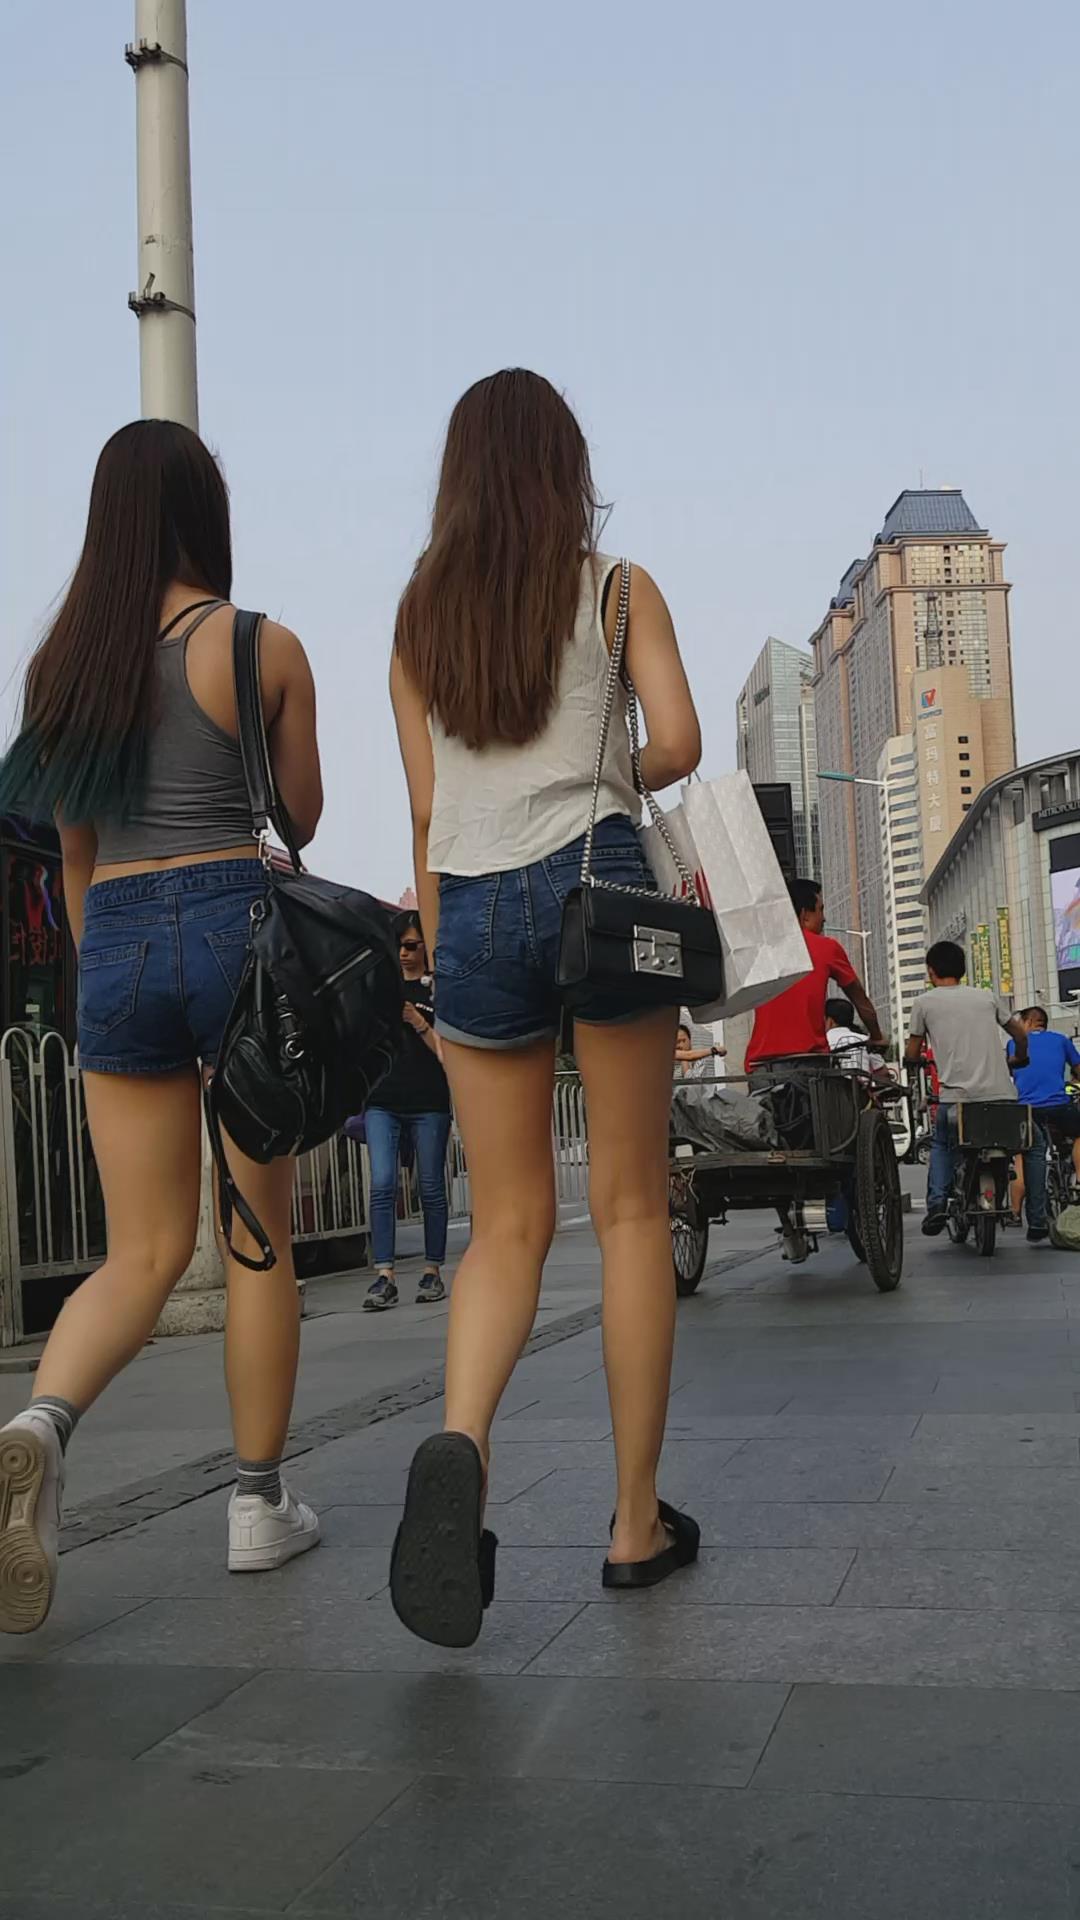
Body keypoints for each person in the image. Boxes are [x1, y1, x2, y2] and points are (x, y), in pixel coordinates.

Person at [388, 367, 703, 1646]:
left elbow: (426, 811)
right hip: (598, 885)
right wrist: (603, 759)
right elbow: (678, 741)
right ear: (565, 468)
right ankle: (633, 1526)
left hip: (468, 910)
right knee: (628, 1208)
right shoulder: (618, 590)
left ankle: (461, 1448)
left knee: (504, 1225)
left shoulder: (420, 618)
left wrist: (437, 956)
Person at [0, 420, 324, 1636]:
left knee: (138, 1252)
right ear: (203, 514)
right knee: (255, 1239)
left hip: (119, 941)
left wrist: (111, 974)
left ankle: (41, 1426)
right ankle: (257, 1503)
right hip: (236, 923)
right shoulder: (260, 645)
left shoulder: (63, 673)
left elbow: (75, 862)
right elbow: (300, 812)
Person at [903, 941, 1037, 1239]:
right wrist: (1020, 1057)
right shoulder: (986, 997)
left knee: (941, 1144)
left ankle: (937, 1204)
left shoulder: (924, 1003)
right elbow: (1018, 1033)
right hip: (1002, 1098)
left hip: (956, 1101)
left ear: (931, 971)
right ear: (963, 969)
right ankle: (1037, 1215)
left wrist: (912, 1060)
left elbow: (913, 1050)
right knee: (1031, 1144)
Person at [363, 912, 453, 1311]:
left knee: (430, 1186)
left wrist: (419, 1022)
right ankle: (384, 1275)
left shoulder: (439, 991)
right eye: (398, 945)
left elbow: (448, 1054)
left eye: (412, 945)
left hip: (429, 1101)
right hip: (382, 1099)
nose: (404, 953)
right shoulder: (380, 988)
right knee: (382, 1183)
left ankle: (432, 1270)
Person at [745, 879, 886, 1073]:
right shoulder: (827, 947)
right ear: (805, 914)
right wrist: (877, 1036)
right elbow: (860, 999)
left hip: (760, 1067)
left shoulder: (760, 950)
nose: (824, 918)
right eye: (820, 910)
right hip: (808, 1063)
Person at [1008, 1006, 1080, 1207]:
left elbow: (1013, 1075)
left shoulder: (1014, 1043)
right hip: (1059, 1106)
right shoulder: (1061, 1040)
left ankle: (1015, 1212)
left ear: (1029, 1022)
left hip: (1027, 1111)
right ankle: (1079, 1180)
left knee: (1022, 1154)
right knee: (1078, 1134)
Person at [825, 999, 891, 1083]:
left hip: (827, 1090)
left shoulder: (822, 1043)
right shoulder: (866, 1041)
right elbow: (882, 1073)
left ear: (830, 1021)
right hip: (861, 1089)